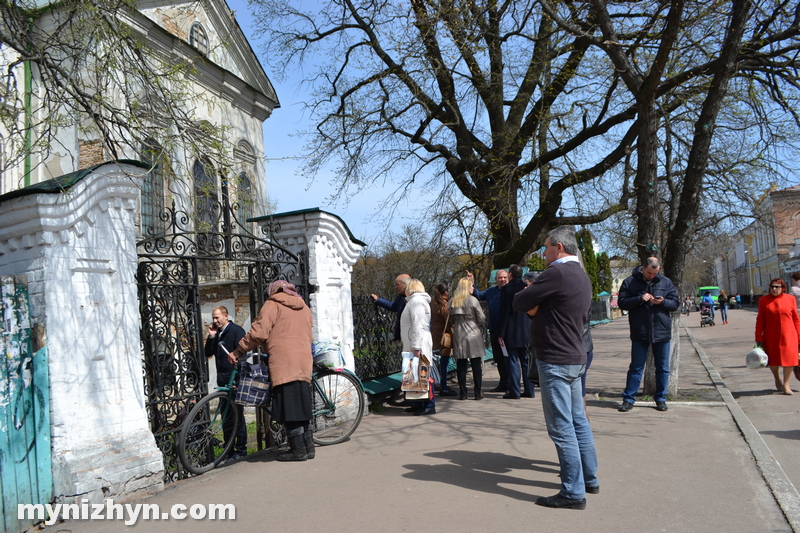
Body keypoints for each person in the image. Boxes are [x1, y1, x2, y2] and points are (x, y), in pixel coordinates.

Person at [512, 226, 598, 510]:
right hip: (574, 357)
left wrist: (532, 297)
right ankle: (589, 478)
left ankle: (573, 492)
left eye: (546, 247)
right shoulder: (580, 274)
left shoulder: (557, 272)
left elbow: (520, 301)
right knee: (578, 421)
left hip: (557, 360)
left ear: (559, 247)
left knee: (561, 427)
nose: (544, 252)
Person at [229, 281, 314, 461]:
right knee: (302, 403)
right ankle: (309, 447)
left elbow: (259, 332)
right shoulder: (304, 307)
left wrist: (239, 350)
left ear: (273, 291)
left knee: (289, 406)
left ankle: (297, 450)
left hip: (284, 360)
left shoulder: (272, 304)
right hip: (304, 359)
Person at [617, 257, 680, 412]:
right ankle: (628, 399)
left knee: (663, 368)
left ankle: (660, 399)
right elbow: (622, 303)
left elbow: (675, 304)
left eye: (655, 273)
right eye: (649, 273)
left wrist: (663, 302)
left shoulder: (666, 282)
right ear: (643, 268)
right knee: (636, 367)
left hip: (661, 331)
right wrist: (640, 298)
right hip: (640, 331)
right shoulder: (629, 282)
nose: (652, 276)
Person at [204, 305, 247, 462]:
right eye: (213, 318)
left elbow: (242, 356)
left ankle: (241, 450)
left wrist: (238, 380)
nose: (215, 321)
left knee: (238, 416)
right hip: (222, 381)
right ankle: (229, 450)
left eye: (217, 318)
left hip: (234, 380)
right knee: (226, 417)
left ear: (226, 316)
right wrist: (211, 336)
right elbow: (207, 353)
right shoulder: (218, 334)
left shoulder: (236, 331)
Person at [755, 278, 800, 395]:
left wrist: (799, 336)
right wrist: (758, 337)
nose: (774, 289)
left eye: (777, 287)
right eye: (772, 287)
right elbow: (760, 319)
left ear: (782, 288)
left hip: (789, 334)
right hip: (771, 335)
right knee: (773, 360)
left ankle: (786, 385)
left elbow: (796, 319)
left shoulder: (790, 299)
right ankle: (777, 378)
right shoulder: (764, 300)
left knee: (790, 360)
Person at [498, 264, 534, 399]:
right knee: (525, 361)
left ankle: (515, 391)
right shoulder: (526, 288)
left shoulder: (506, 289)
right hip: (526, 329)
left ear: (510, 274)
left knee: (513, 361)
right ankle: (529, 390)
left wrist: (501, 333)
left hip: (511, 330)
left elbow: (504, 312)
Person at [400, 279, 436, 415]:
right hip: (416, 341)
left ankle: (429, 404)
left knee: (423, 373)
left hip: (418, 343)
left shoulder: (416, 301)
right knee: (416, 373)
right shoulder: (416, 301)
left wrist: (416, 346)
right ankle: (419, 402)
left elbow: (417, 324)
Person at [472, 269, 510, 392]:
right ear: (496, 280)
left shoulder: (511, 292)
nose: (502, 280)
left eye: (505, 277)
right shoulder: (491, 292)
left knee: (509, 359)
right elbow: (477, 295)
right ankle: (503, 382)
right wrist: (472, 282)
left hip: (508, 331)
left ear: (508, 278)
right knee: (499, 359)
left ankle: (511, 383)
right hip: (494, 330)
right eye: (500, 278)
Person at [449, 277, 486, 400]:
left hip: (459, 332)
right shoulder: (472, 300)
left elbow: (450, 320)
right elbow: (481, 318)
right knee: (476, 363)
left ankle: (463, 393)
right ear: (466, 287)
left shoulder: (453, 301)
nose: (473, 288)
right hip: (472, 331)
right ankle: (477, 392)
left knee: (461, 363)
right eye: (471, 286)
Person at [430, 281, 456, 396]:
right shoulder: (445, 305)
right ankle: (444, 387)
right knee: (444, 364)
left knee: (437, 363)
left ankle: (438, 384)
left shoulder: (431, 301)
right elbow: (450, 323)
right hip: (444, 338)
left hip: (434, 336)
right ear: (446, 291)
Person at [371, 274, 411, 342]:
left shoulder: (415, 299)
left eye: (397, 284)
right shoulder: (401, 298)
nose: (395, 287)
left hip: (412, 337)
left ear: (406, 285)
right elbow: (393, 306)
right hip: (405, 337)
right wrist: (378, 300)